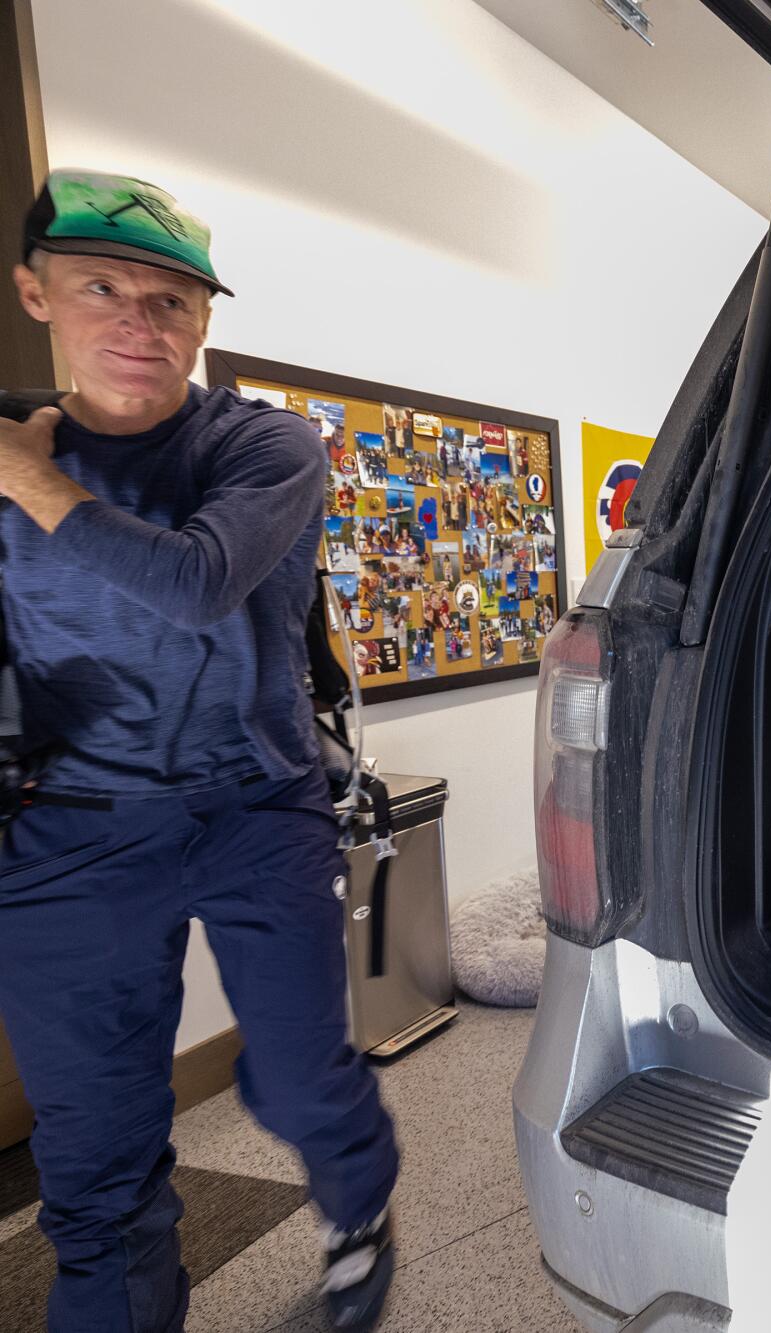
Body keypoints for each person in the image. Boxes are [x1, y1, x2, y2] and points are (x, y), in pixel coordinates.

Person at [0, 170, 398, 1332]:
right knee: (95, 1144)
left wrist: (27, 476)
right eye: (103, 286)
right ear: (37, 294)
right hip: (66, 831)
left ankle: (357, 1212)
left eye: (172, 299)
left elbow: (195, 580)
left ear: (206, 319)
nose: (140, 321)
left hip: (255, 806)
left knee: (296, 1076)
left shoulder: (265, 447)